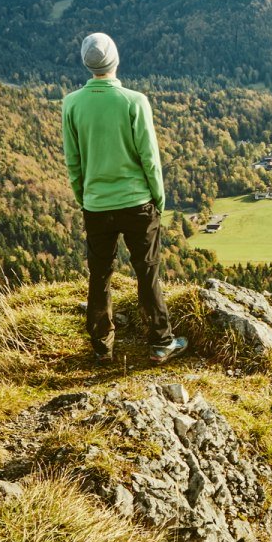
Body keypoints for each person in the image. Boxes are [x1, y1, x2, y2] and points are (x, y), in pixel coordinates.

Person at [60, 32, 185, 362]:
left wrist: (83, 196)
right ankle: (161, 343)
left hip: (96, 205)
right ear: (115, 59)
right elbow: (150, 157)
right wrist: (159, 199)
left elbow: (73, 160)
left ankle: (102, 348)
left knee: (99, 275)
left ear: (87, 64)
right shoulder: (134, 101)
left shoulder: (71, 103)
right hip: (137, 203)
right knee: (148, 272)